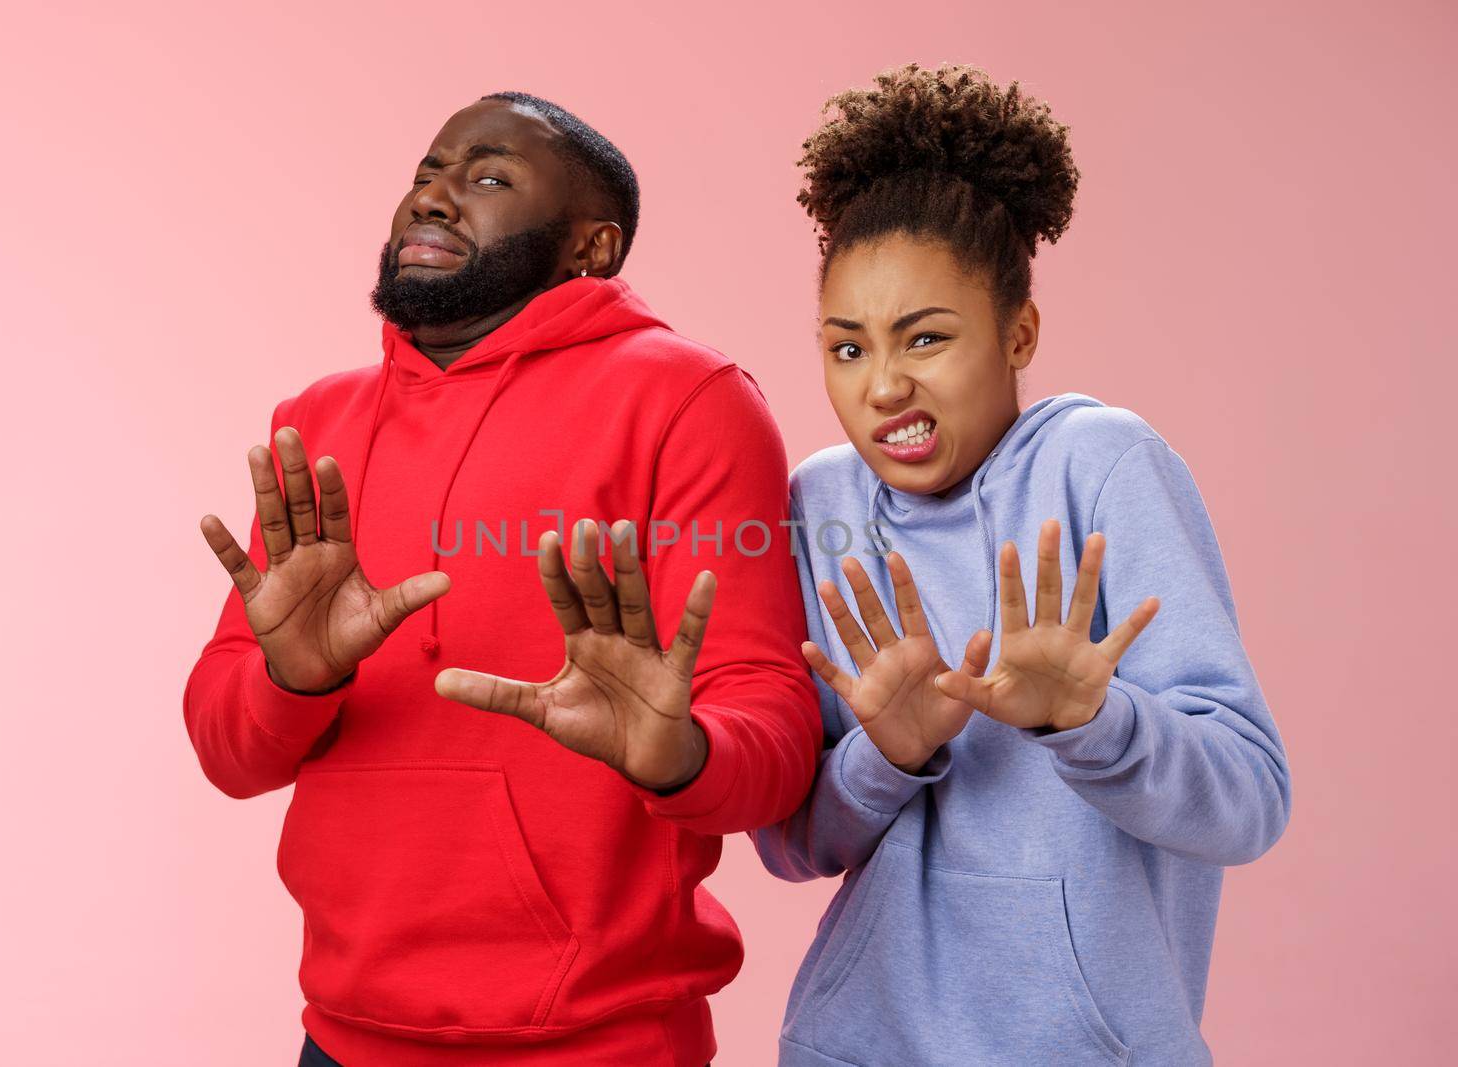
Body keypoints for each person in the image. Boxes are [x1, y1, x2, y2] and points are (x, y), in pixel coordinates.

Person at [185, 91, 819, 1067]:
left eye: (485, 178)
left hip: (600, 1044)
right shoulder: (318, 420)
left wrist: (680, 750)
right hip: (343, 1040)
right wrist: (294, 677)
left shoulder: (690, 400)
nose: (433, 199)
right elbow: (230, 755)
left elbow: (773, 730)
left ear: (591, 248)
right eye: (424, 177)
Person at [751, 64, 1291, 1066]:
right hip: (851, 1044)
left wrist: (1091, 719)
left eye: (926, 338)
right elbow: (792, 846)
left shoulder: (1102, 464)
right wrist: (889, 752)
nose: (884, 386)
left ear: (1018, 332)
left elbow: (1249, 799)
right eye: (846, 348)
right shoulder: (819, 501)